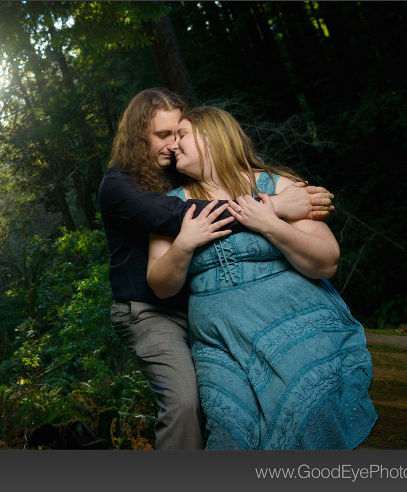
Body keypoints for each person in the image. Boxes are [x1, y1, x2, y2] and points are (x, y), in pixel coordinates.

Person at [98, 88, 336, 450]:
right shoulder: (119, 185)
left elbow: (221, 182)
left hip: (201, 313)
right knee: (184, 403)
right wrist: (271, 207)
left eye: (180, 134)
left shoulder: (179, 174)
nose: (173, 144)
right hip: (149, 311)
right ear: (138, 135)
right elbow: (181, 217)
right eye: (164, 135)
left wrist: (280, 200)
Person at [146, 106, 377, 449]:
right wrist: (184, 244)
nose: (174, 145)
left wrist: (269, 223)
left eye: (182, 135)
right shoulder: (170, 206)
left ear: (213, 137)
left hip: (291, 315)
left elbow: (326, 262)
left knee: (306, 401)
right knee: (228, 431)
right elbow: (160, 286)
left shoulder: (278, 185)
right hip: (220, 339)